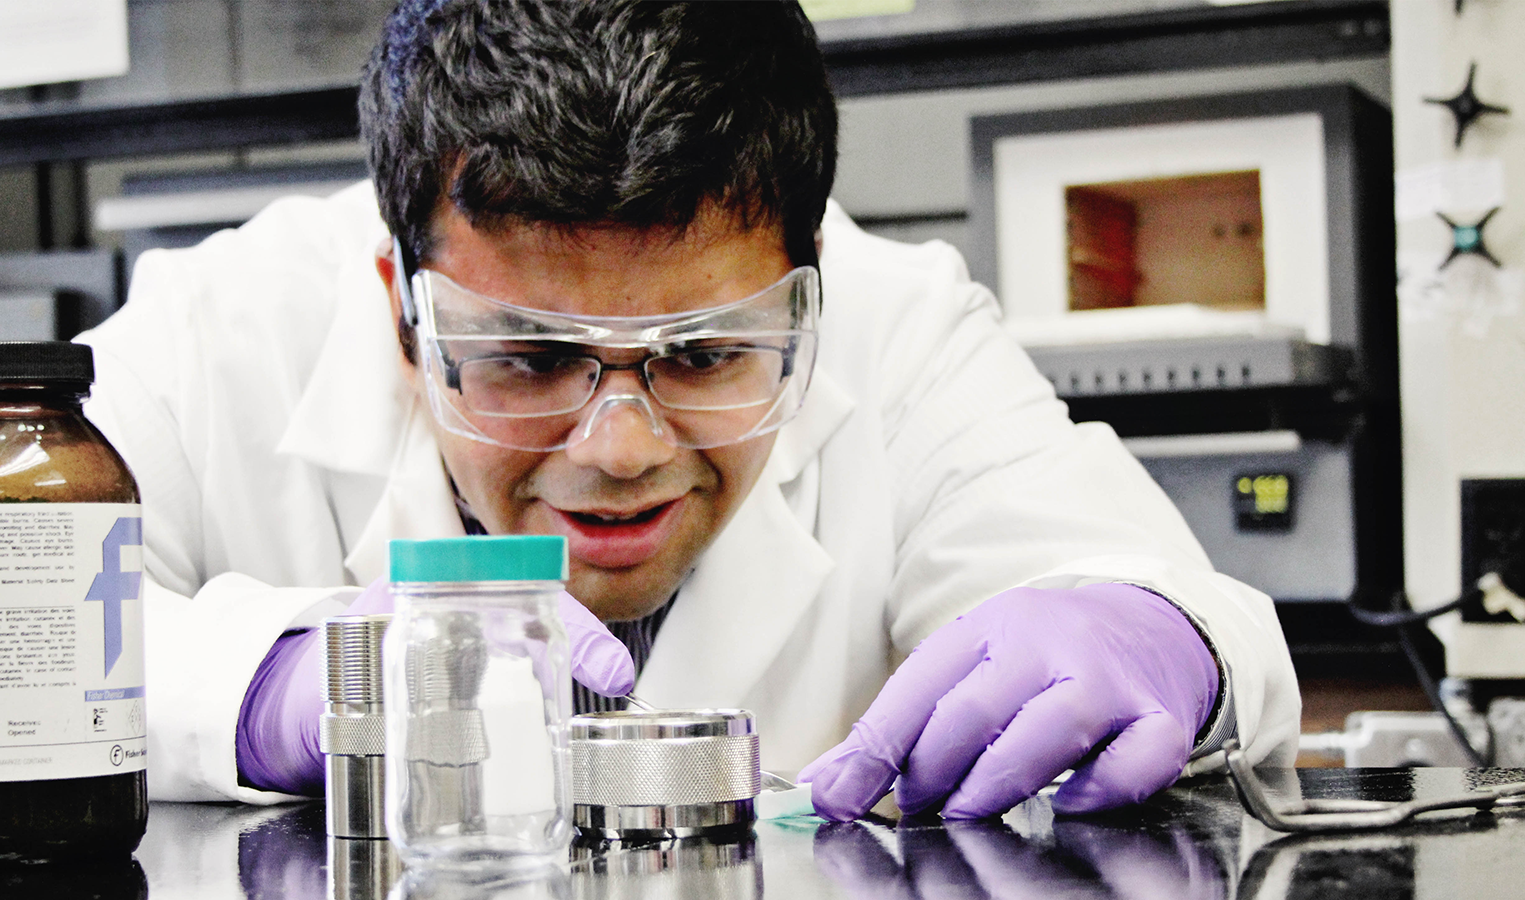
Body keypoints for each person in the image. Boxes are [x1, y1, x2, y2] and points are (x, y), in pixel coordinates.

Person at [79, 0, 1299, 817]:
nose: (618, 452)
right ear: (403, 303)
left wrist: (1164, 637)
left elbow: (1162, 601)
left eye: (707, 352)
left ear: (806, 287)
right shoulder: (219, 331)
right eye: (529, 358)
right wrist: (280, 684)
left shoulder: (899, 321)